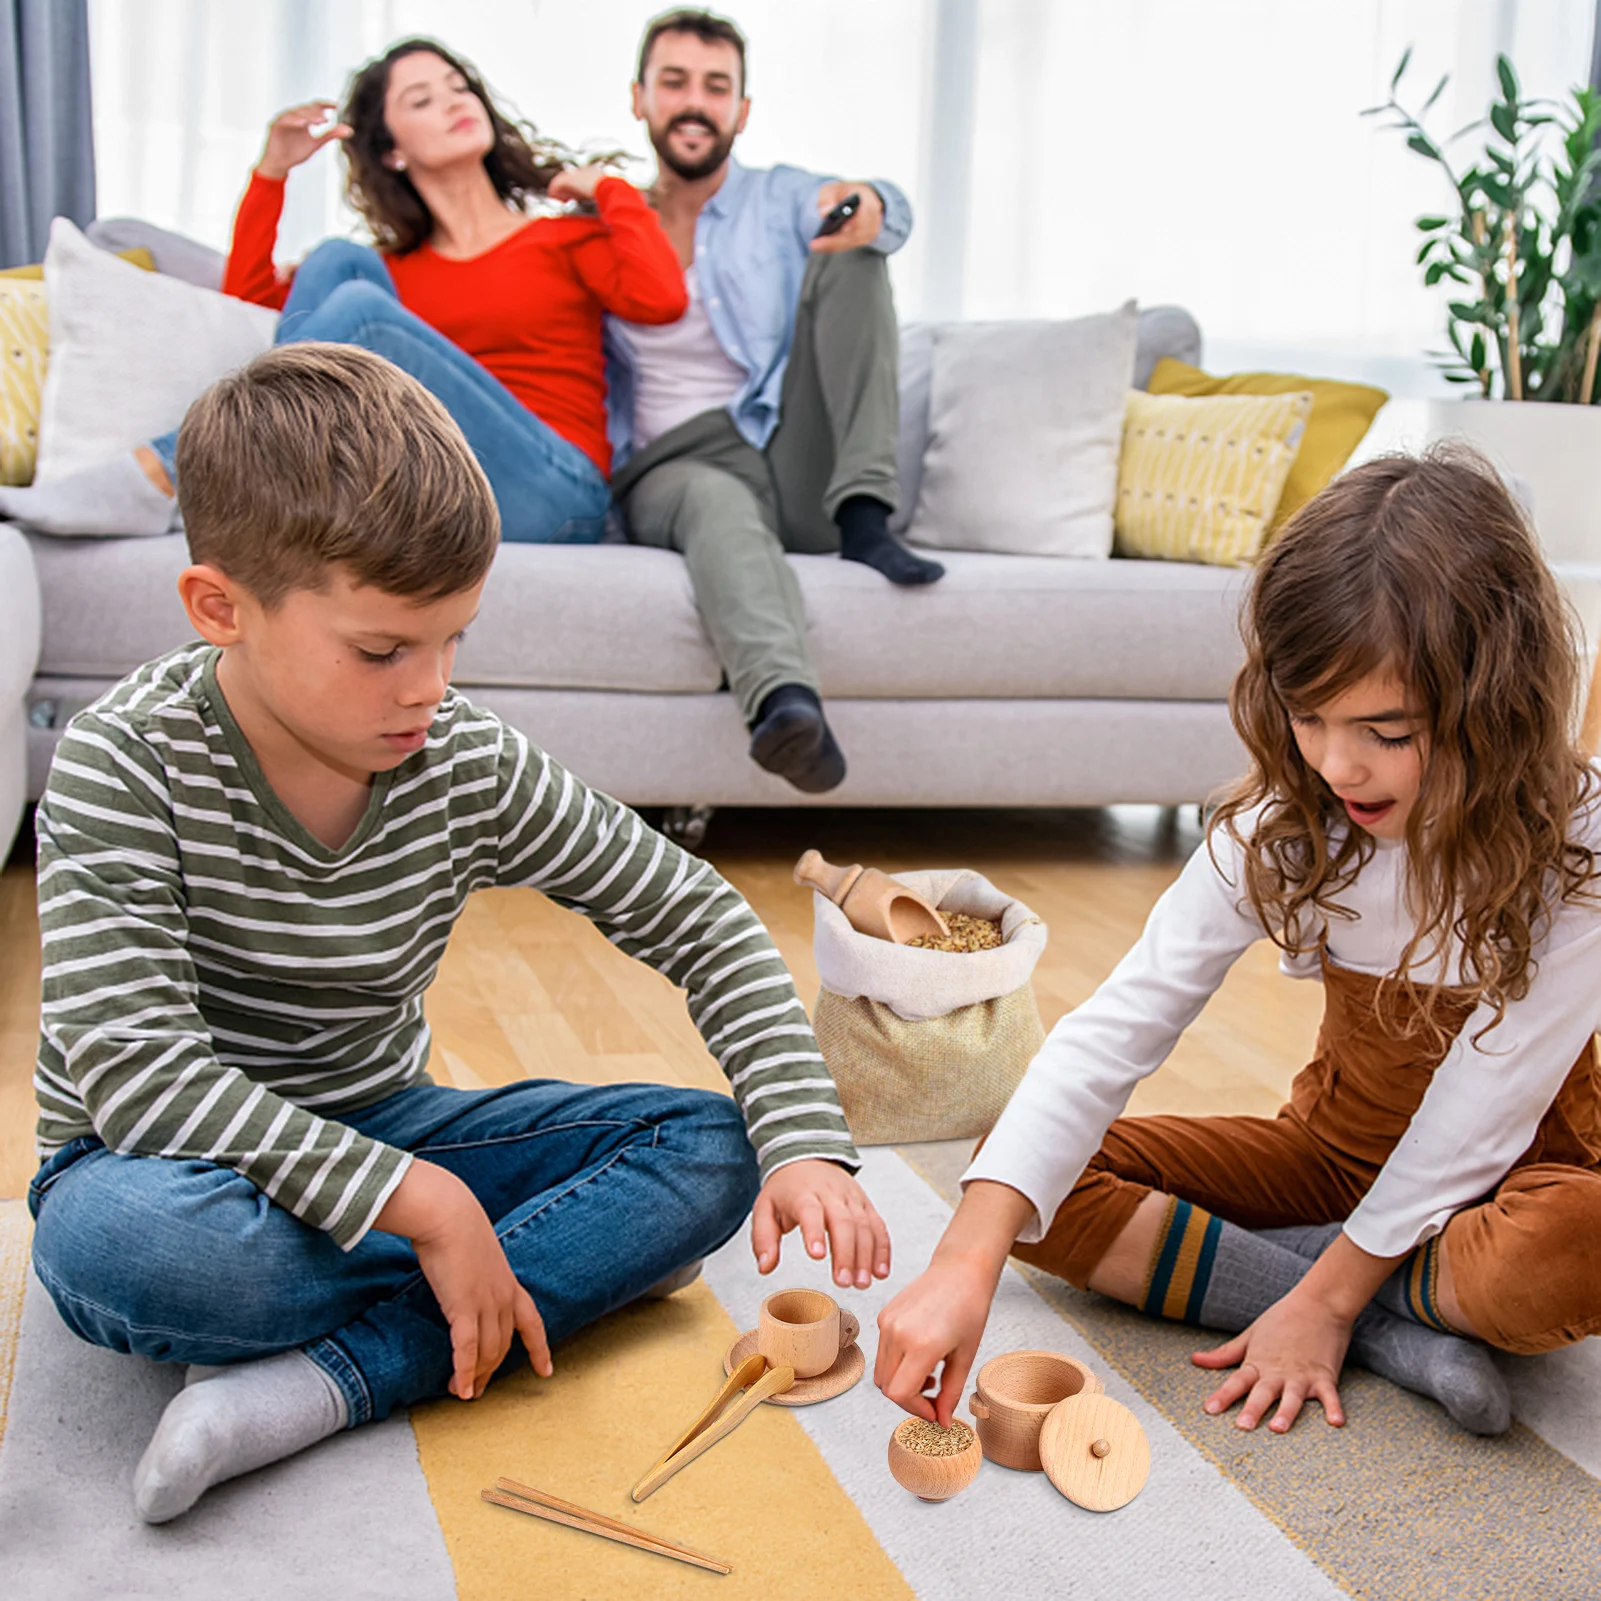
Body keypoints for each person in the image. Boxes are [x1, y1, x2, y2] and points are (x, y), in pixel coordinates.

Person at [26, 343, 892, 1525]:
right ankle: (561, 1264)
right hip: (156, 1166)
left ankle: (332, 1379)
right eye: (383, 649)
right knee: (145, 1255)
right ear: (219, 606)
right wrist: (432, 1207)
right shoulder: (119, 762)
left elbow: (700, 917)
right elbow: (140, 1077)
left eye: (452, 640)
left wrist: (803, 1138)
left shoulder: (462, 760)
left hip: (382, 1116)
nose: (428, 688)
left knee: (712, 1149)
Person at [874, 449, 1601, 1440]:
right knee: (1024, 1175)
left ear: (1491, 698)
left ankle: (1327, 1290)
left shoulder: (1576, 841)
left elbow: (1486, 1100)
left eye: (1385, 729)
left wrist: (1327, 1299)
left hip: (1518, 1175)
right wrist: (964, 1259)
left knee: (1569, 1249)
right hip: (1334, 1155)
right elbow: (1118, 1024)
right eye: (1308, 716)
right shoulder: (1282, 831)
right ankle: (1398, 1325)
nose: (1337, 761)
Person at [0, 38, 687, 544]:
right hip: (435, 484)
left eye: (458, 87)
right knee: (336, 261)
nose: (453, 103)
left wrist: (609, 189)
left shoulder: (559, 241)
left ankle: (169, 472)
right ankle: (227, 478)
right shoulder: (394, 275)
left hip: (555, 493)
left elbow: (662, 298)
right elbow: (258, 314)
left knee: (358, 313)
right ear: (393, 150)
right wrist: (271, 174)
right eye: (423, 100)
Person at [607, 9, 942, 796]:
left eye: (716, 86)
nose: (695, 102)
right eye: (675, 82)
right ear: (639, 98)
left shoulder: (777, 198)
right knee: (716, 505)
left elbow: (885, 209)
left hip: (784, 452)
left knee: (854, 253)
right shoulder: (604, 222)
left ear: (741, 110)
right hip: (675, 461)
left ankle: (863, 515)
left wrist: (871, 204)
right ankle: (784, 707)